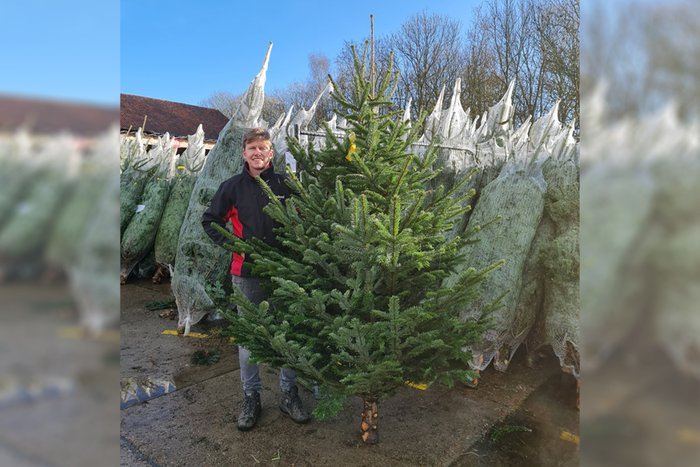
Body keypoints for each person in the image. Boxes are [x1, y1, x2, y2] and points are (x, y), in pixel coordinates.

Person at [202, 127, 310, 431]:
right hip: (247, 274)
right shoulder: (232, 187)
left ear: (271, 153)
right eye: (252, 149)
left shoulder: (286, 184)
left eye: (263, 148)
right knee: (250, 340)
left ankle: (289, 393)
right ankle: (251, 398)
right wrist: (232, 245)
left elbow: (307, 218)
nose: (258, 153)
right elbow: (210, 220)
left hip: (285, 272)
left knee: (289, 334)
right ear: (244, 154)